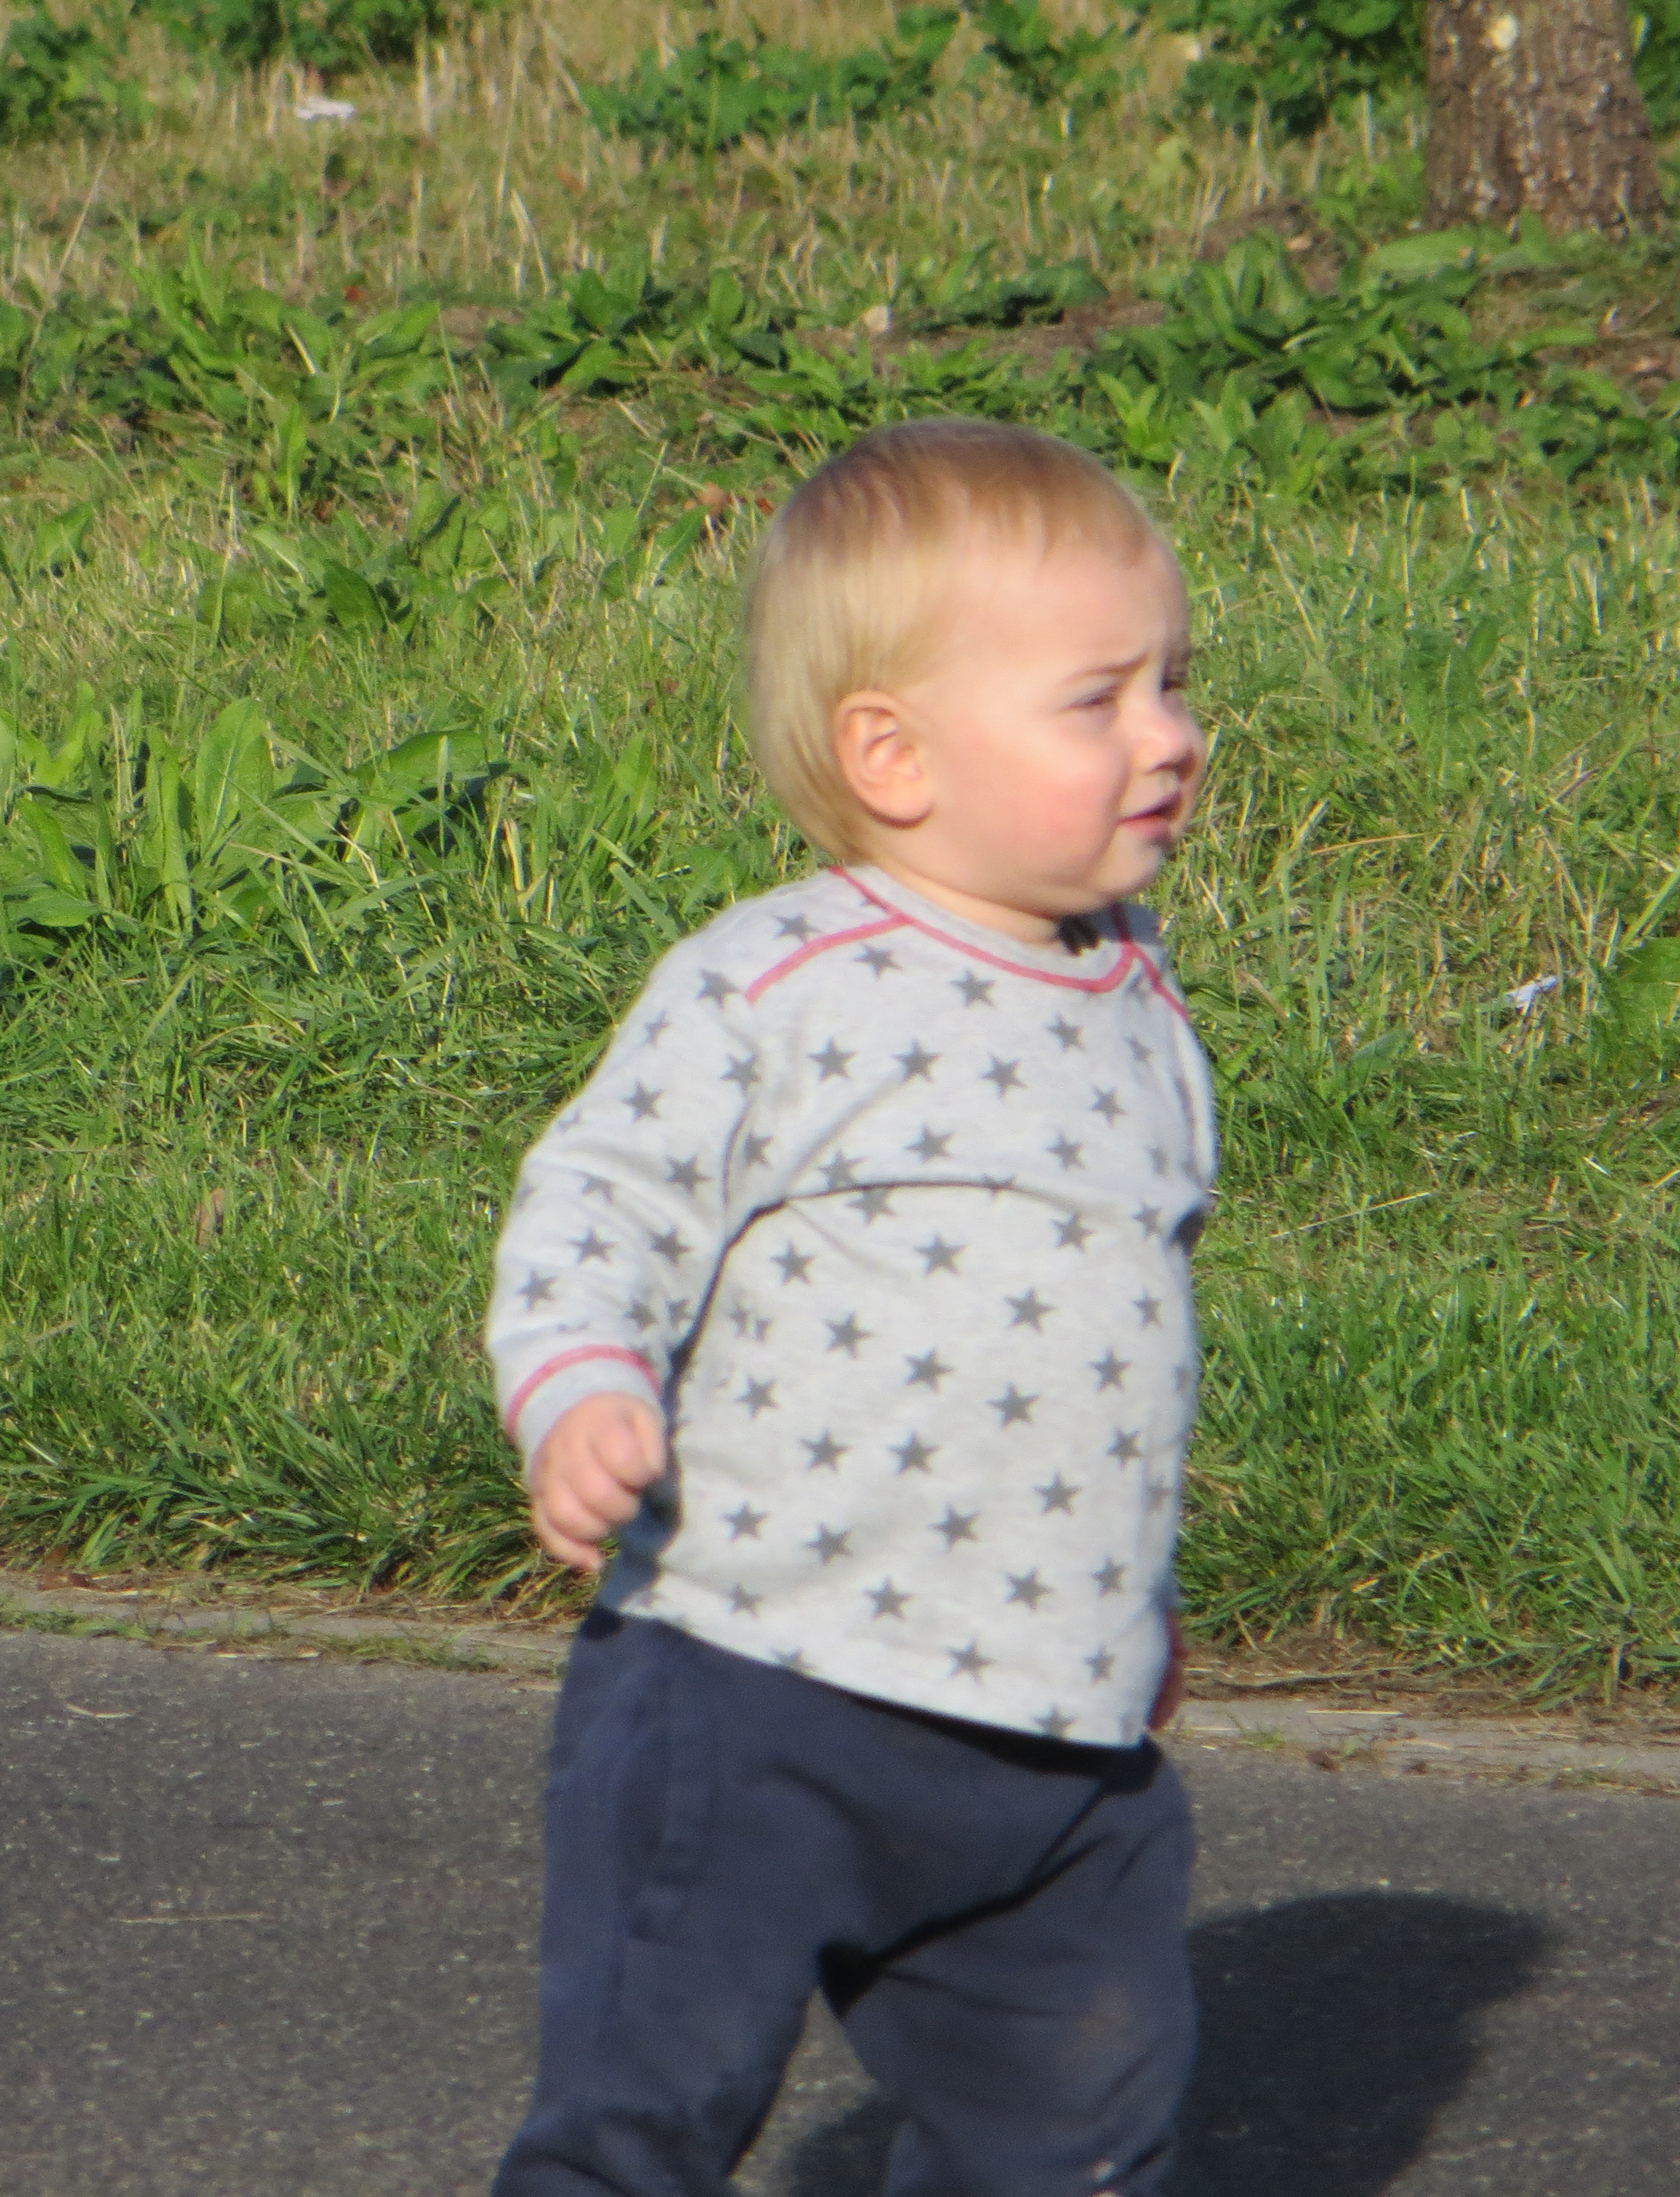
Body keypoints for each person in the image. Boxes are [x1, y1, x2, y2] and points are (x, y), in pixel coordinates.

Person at [484, 417, 1216, 2197]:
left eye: (1173, 685)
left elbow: (1109, 1342)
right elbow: (602, 1198)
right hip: (757, 1685)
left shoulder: (1136, 994)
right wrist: (578, 1385)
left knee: (1076, 2131)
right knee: (645, 2115)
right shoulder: (778, 981)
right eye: (1097, 699)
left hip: (1049, 1735)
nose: (1168, 737)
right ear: (890, 755)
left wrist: (1125, 1594)